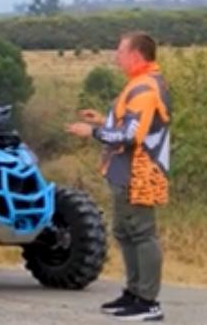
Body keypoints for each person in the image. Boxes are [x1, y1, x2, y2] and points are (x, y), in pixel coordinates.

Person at [66, 31, 170, 322]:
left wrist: (94, 132)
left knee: (141, 234)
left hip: (139, 172)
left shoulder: (145, 88)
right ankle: (134, 293)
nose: (116, 57)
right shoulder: (140, 83)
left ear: (136, 55)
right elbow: (133, 124)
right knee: (126, 232)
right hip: (126, 171)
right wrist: (104, 120)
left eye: (121, 52)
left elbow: (132, 135)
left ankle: (147, 301)